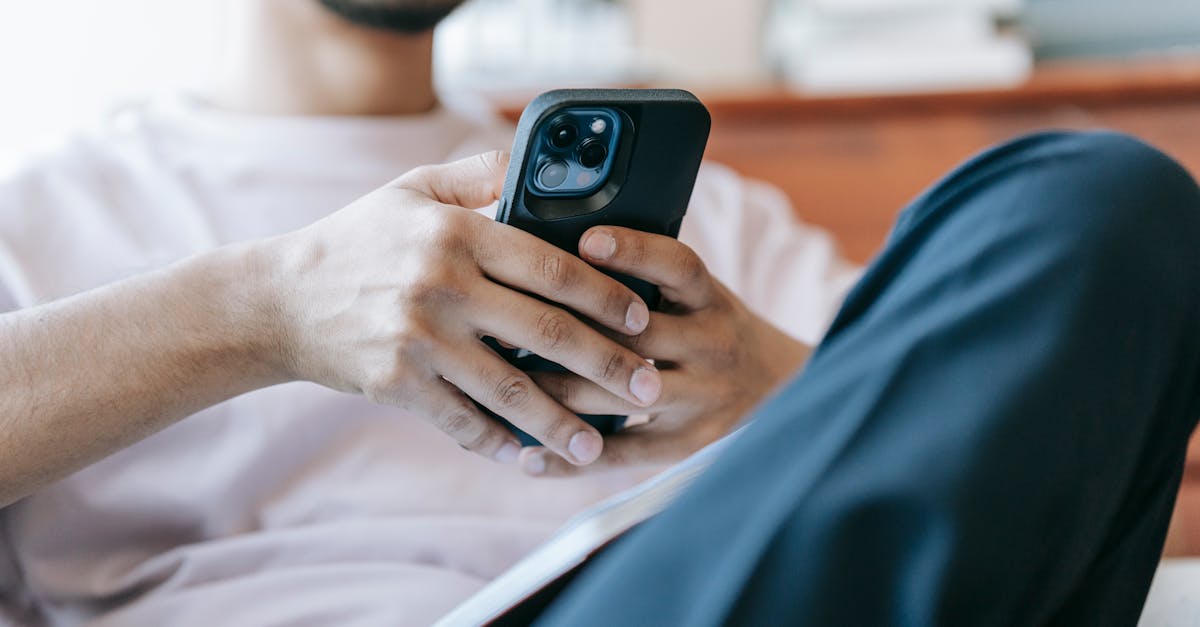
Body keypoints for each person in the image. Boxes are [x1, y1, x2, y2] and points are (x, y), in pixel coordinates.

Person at [2, 2, 1198, 626]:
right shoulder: (45, 218)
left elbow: (1001, 443)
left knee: (1098, 201)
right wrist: (266, 309)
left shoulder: (695, 211)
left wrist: (774, 386)